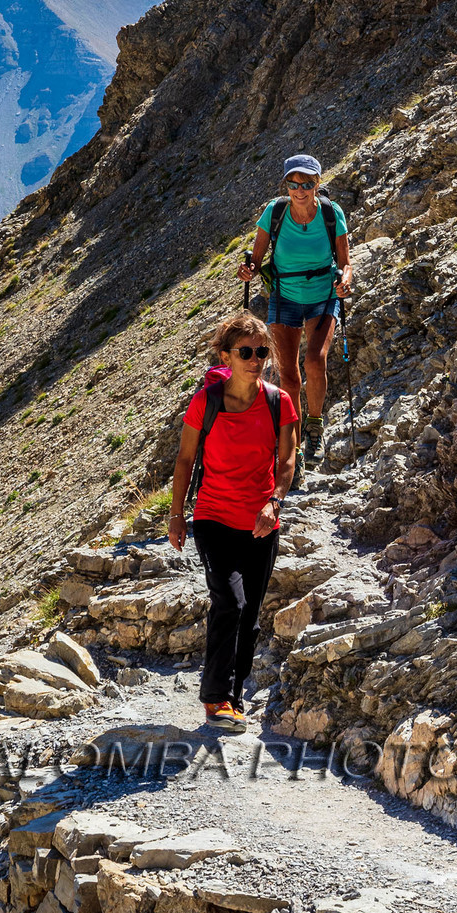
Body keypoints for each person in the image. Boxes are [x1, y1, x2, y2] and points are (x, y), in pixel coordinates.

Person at [168, 312, 298, 729]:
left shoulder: (280, 401)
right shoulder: (207, 401)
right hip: (213, 517)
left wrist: (274, 502)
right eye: (246, 352)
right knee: (230, 601)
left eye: (262, 351)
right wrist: (176, 516)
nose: (256, 359)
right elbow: (185, 459)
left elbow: (288, 460)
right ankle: (215, 698)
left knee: (251, 616)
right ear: (226, 355)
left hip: (261, 521)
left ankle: (233, 699)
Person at [238, 154, 349, 478]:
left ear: (318, 183)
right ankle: (294, 451)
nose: (300, 189)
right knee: (288, 378)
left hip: (324, 296)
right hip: (284, 296)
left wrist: (345, 281)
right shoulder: (275, 212)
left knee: (315, 360)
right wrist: (247, 270)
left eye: (307, 183)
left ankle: (315, 423)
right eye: (294, 183)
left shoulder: (331, 213)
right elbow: (255, 261)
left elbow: (345, 262)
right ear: (286, 184)